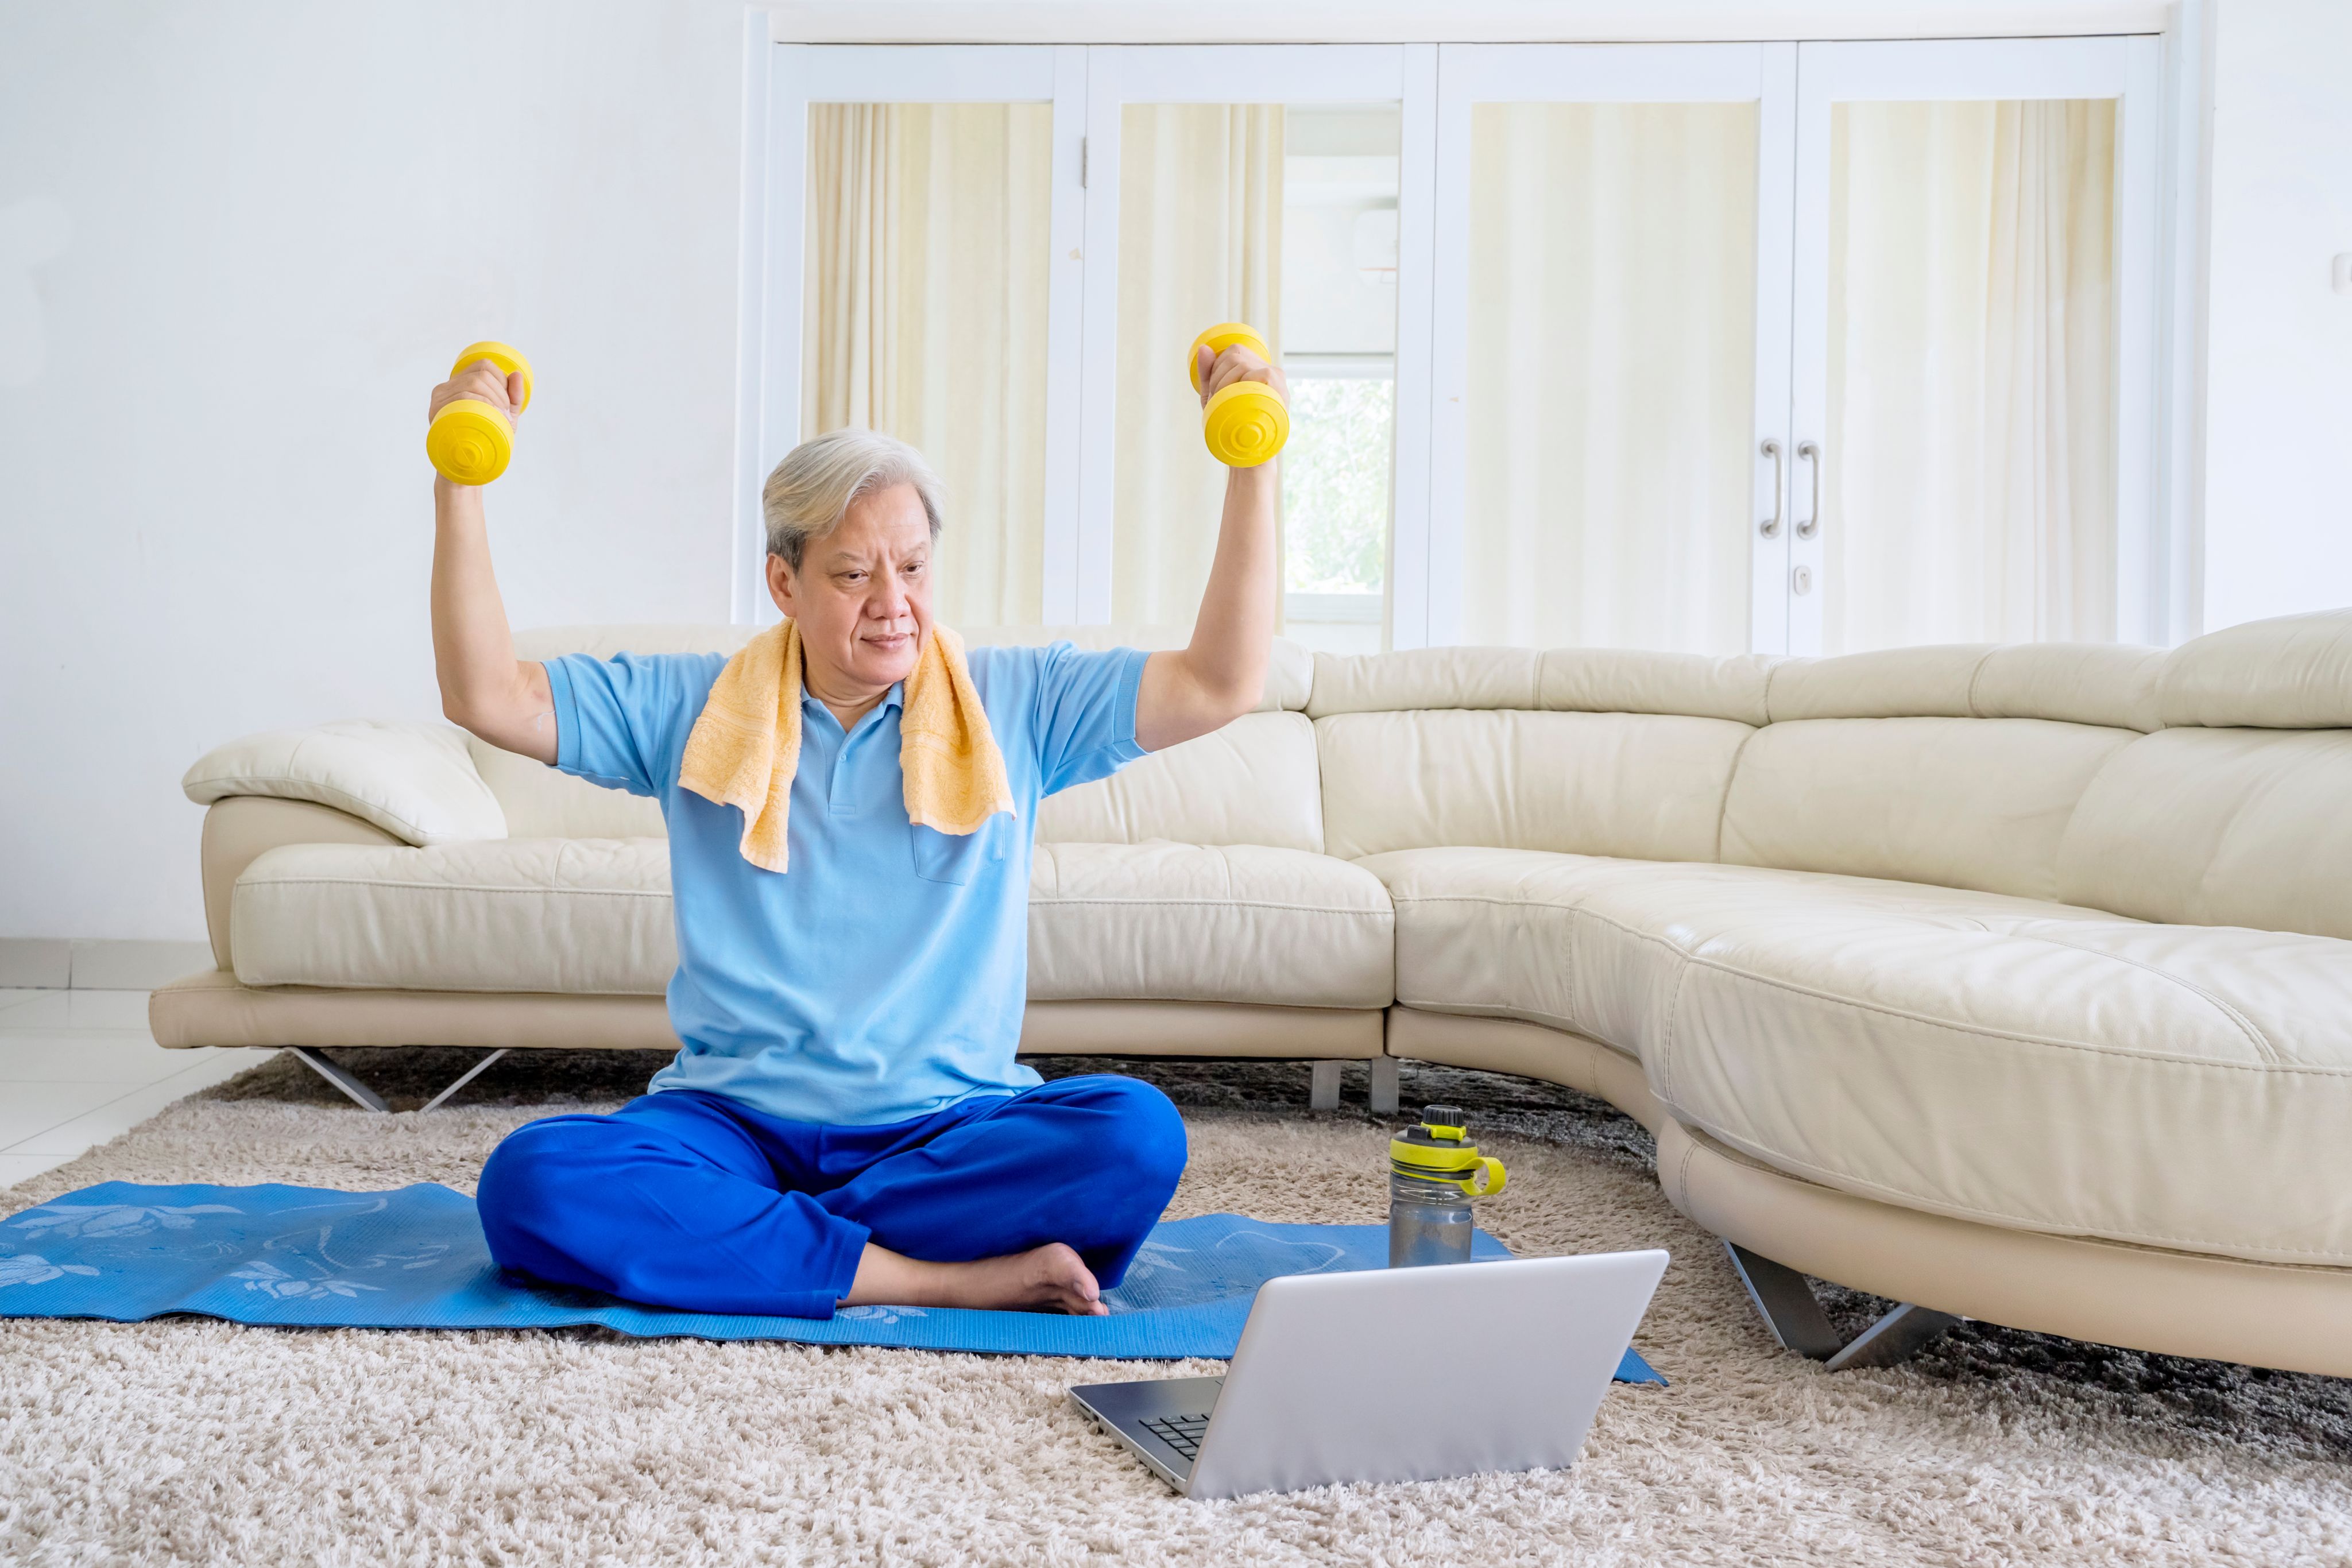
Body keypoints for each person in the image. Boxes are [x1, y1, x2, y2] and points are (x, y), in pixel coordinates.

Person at [428, 344, 1282, 1319]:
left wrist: (1251, 462)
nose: (894, 604)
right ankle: (938, 1278)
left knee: (1134, 1134)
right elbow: (487, 692)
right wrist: (460, 479)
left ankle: (756, 1240)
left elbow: (1220, 682)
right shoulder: (695, 707)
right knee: (530, 1180)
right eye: (852, 574)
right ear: (784, 584)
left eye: (914, 567)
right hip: (729, 1124)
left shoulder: (1021, 702)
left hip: (944, 1130)